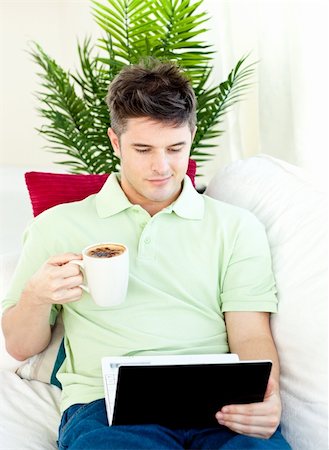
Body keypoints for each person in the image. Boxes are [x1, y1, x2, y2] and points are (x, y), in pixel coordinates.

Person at [1, 59, 291, 450]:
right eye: (143, 149)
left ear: (191, 137)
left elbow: (251, 334)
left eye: (176, 148)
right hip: (106, 409)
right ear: (116, 142)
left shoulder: (236, 227)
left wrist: (265, 396)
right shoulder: (57, 226)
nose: (162, 167)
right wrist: (37, 296)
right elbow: (20, 346)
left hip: (218, 406)